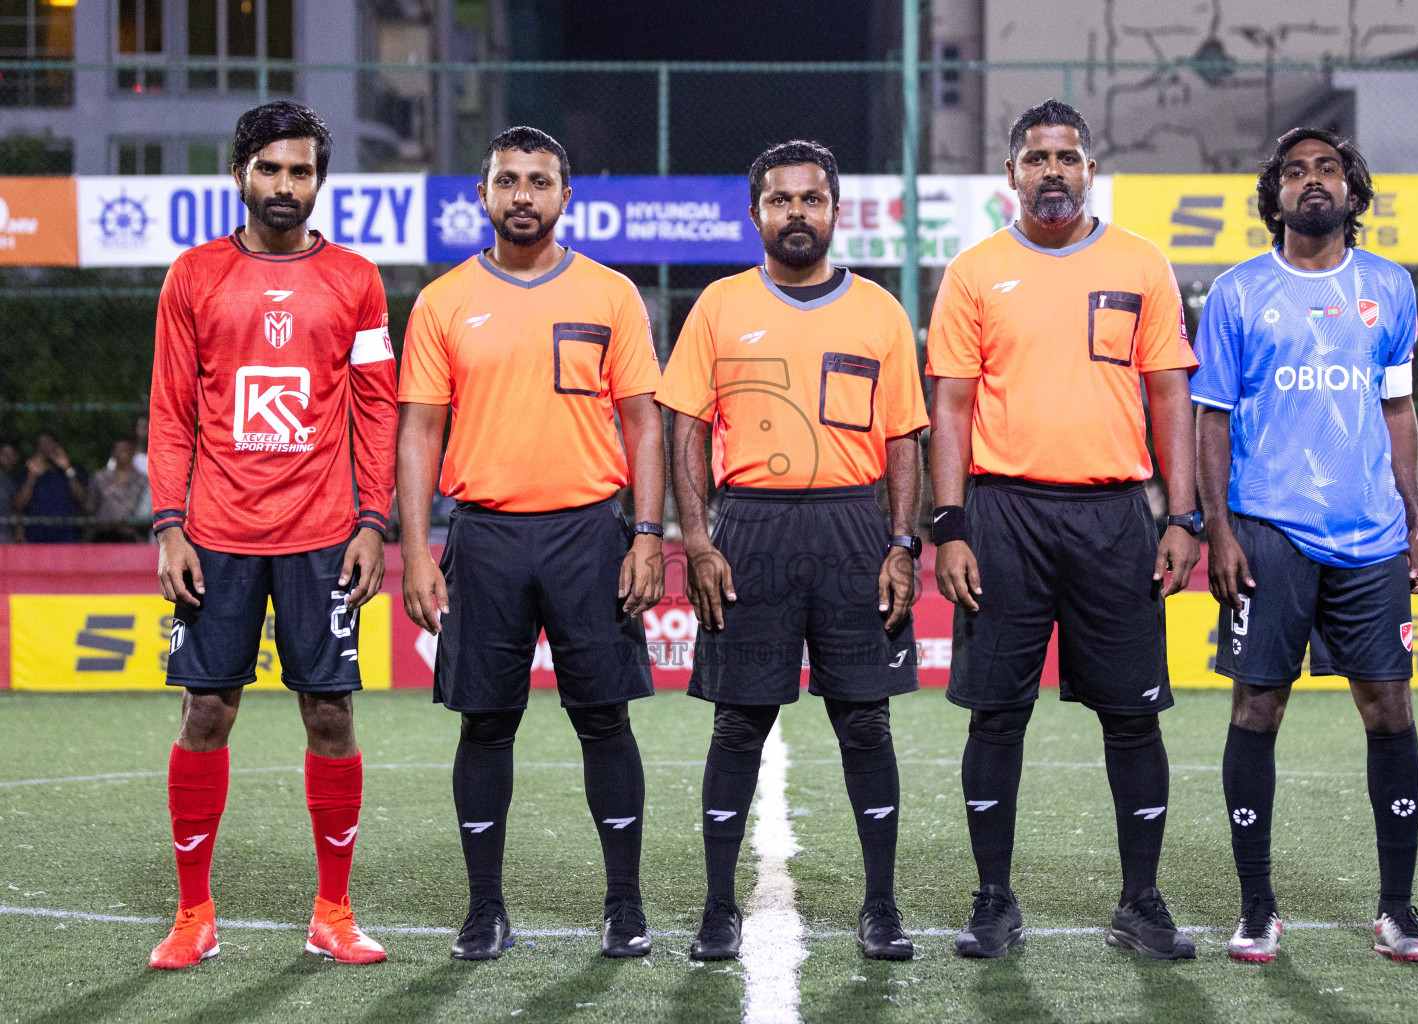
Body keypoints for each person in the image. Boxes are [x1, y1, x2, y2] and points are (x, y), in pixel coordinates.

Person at [926, 99, 1201, 961]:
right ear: (1010, 175)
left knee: (1131, 716)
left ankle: (1141, 902)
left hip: (1117, 515)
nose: (1053, 170)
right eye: (1037, 157)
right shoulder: (973, 272)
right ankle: (993, 902)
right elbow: (952, 407)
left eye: (1068, 157)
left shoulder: (1142, 263)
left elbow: (1169, 398)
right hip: (1004, 514)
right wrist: (950, 525)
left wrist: (1183, 515)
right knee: (997, 715)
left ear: (1090, 170)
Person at [397, 126, 665, 962]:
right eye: (508, 180)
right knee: (484, 724)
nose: (523, 195)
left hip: (590, 533)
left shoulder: (612, 294)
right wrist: (414, 551)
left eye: (539, 181)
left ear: (564, 197)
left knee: (603, 719)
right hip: (483, 537)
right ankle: (485, 910)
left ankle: (624, 904)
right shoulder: (443, 300)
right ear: (484, 195)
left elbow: (643, 424)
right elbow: (418, 435)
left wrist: (648, 535)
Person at [659, 140, 928, 963]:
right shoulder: (717, 306)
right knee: (738, 725)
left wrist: (902, 543)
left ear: (835, 211)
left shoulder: (878, 310)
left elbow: (906, 438)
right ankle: (715, 909)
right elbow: (687, 428)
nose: (797, 213)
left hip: (854, 527)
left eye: (812, 199)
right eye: (781, 200)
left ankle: (880, 908)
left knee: (865, 725)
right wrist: (697, 537)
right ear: (757, 214)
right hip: (751, 530)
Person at [146, 101, 397, 969]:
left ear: (319, 182)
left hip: (325, 536)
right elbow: (171, 411)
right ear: (240, 174)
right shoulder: (193, 276)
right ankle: (192, 916)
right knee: (206, 710)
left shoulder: (359, 282)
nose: (285, 185)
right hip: (215, 535)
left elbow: (377, 412)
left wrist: (374, 522)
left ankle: (333, 912)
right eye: (270, 169)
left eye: (301, 172)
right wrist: (169, 524)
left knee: (330, 714)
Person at [1193, 127, 1418, 963]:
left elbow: (1397, 409)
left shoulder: (1390, 287)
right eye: (1294, 172)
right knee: (1257, 706)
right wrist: (1218, 528)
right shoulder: (1235, 293)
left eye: (1327, 169)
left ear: (1351, 189)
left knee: (1391, 708)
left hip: (1370, 534)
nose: (1311, 183)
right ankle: (1257, 906)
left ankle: (1397, 909)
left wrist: (1416, 513)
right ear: (1276, 196)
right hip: (1267, 529)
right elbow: (1211, 417)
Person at [12, 431, 87, 542]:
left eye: (48, 444)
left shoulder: (74, 468)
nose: (45, 449)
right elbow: (19, 505)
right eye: (41, 445)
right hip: (35, 534)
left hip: (67, 534)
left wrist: (67, 468)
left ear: (57, 446)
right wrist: (31, 476)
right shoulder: (26, 473)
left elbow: (82, 498)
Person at [87, 439, 151, 542]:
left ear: (133, 452)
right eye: (119, 450)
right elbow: (90, 507)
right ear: (113, 453)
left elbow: (147, 511)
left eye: (126, 449)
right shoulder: (100, 478)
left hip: (134, 539)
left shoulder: (143, 481)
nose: (123, 453)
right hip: (104, 537)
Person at [0, 440, 19, 542]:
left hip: (8, 534)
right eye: (4, 454)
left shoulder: (16, 479)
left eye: (11, 454)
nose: (8, 458)